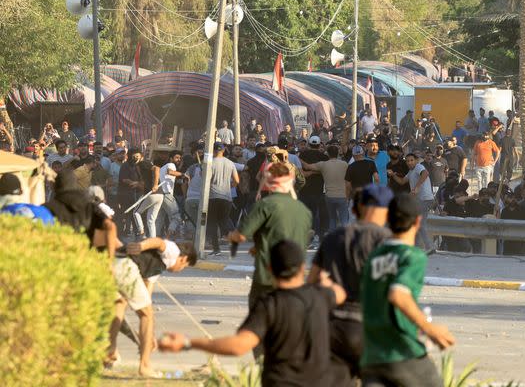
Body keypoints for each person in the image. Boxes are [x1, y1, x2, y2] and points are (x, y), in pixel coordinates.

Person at [159, 240, 346, 386]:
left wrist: (188, 342)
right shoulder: (321, 296)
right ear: (301, 268)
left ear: (269, 269)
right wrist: (325, 283)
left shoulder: (269, 305)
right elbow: (339, 293)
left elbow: (239, 345)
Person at [360, 194, 455, 386]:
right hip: (402, 351)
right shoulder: (412, 256)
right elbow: (398, 294)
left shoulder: (374, 256)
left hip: (371, 355)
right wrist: (430, 329)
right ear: (418, 221)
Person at [308, 185, 393, 384]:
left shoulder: (333, 237)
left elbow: (311, 281)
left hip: (333, 328)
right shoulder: (388, 242)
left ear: (354, 209)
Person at [228, 162, 313, 356]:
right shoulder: (303, 210)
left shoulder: (265, 205)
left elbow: (241, 236)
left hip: (267, 277)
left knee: (259, 325)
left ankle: (262, 365)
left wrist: (232, 236)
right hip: (294, 280)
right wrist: (258, 246)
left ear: (268, 182)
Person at [108, 237, 197, 377]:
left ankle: (110, 352)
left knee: (120, 305)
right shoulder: (174, 251)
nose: (181, 269)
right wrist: (140, 246)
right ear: (184, 259)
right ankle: (145, 366)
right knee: (147, 315)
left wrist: (149, 337)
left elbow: (145, 299)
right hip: (126, 264)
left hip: (114, 264)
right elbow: (158, 242)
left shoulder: (156, 270)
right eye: (184, 267)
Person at [388, 153, 434, 251]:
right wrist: (393, 175)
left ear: (416, 160)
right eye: (407, 161)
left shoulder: (419, 167)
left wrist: (416, 187)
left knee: (419, 224)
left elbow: (425, 173)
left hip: (425, 199)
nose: (409, 162)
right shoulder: (410, 172)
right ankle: (416, 247)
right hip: (420, 200)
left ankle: (429, 247)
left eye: (411, 160)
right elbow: (402, 182)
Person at [305, 145, 350, 229]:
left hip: (329, 196)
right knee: (344, 220)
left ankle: (332, 238)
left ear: (328, 154)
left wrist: (297, 159)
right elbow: (349, 181)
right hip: (342, 196)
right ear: (337, 154)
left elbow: (307, 166)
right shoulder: (345, 164)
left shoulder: (323, 164)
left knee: (332, 219)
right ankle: (346, 239)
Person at [207, 142, 239, 255]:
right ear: (224, 150)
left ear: (213, 150)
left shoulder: (210, 163)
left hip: (213, 196)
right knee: (223, 221)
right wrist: (229, 187)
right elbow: (237, 181)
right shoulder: (230, 163)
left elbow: (207, 180)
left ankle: (216, 249)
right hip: (227, 197)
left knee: (212, 223)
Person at [299, 136, 330, 237]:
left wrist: (310, 172)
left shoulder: (302, 155)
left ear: (309, 144)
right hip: (319, 190)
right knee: (317, 213)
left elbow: (302, 171)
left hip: (304, 190)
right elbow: (324, 171)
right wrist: (317, 171)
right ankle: (316, 234)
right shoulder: (324, 157)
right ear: (319, 144)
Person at [158, 150, 184, 239]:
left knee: (159, 219)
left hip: (160, 195)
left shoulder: (162, 168)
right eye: (177, 157)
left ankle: (155, 238)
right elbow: (170, 172)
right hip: (167, 194)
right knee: (176, 217)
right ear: (171, 158)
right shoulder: (170, 165)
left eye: (180, 158)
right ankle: (168, 238)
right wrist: (183, 174)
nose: (179, 160)